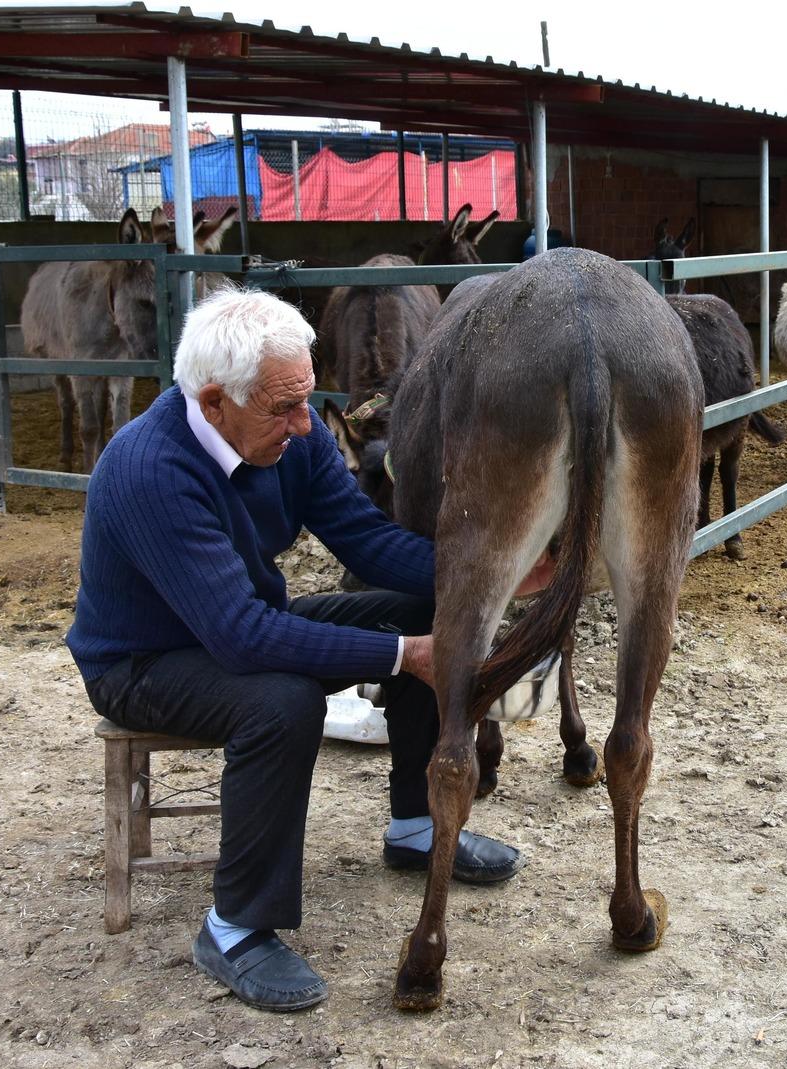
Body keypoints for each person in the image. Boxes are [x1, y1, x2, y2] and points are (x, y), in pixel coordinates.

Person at [67, 286, 544, 1013]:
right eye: (283, 407)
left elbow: (366, 539)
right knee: (282, 701)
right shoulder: (149, 470)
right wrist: (401, 656)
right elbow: (243, 639)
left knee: (423, 606)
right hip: (143, 659)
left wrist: (496, 575)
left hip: (243, 618)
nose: (305, 424)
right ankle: (234, 927)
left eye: (306, 400)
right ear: (214, 400)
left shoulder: (289, 434)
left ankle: (415, 826)